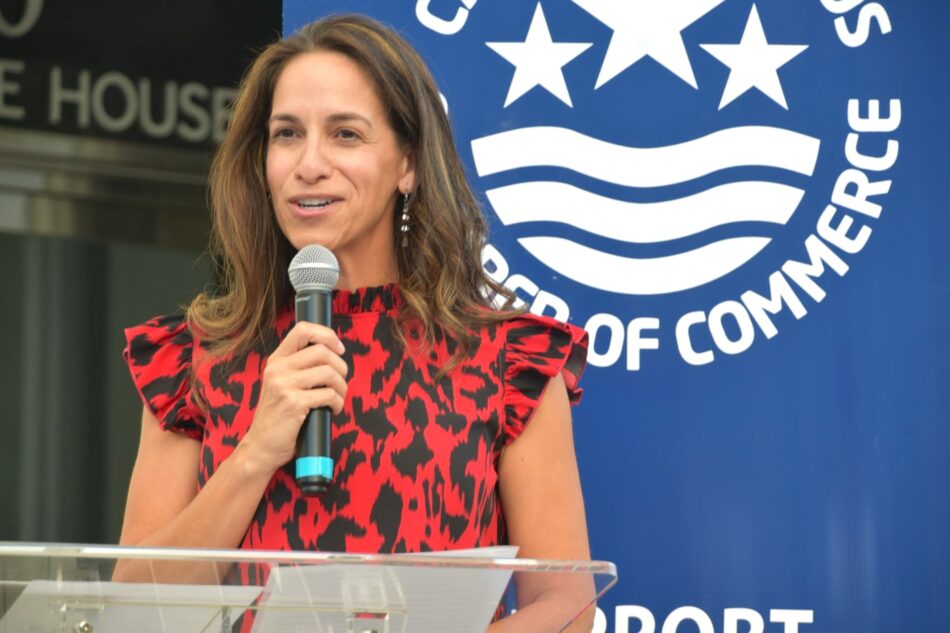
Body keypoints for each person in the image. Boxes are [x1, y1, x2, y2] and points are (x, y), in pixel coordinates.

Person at [115, 13, 593, 631]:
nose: (309, 163)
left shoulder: (506, 360)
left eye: (345, 134)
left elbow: (566, 605)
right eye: (287, 134)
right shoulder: (197, 360)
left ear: (407, 163)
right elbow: (133, 609)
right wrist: (255, 454)